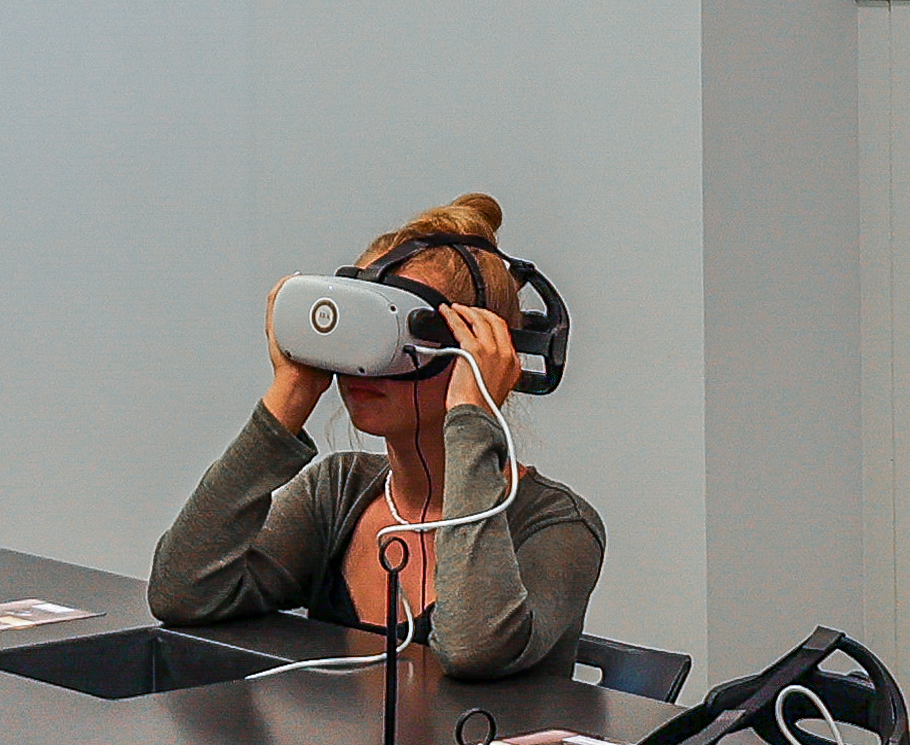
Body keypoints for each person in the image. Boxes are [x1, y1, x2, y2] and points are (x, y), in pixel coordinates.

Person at [148, 195, 605, 681]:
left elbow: (473, 646)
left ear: (478, 352)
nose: (365, 362)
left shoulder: (559, 524)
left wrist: (472, 417)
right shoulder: (339, 491)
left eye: (393, 332)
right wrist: (293, 391)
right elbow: (183, 592)